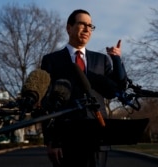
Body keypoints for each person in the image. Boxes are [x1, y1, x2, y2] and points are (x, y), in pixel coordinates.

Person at [41, 9, 127, 167]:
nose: (87, 29)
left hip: (98, 136)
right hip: (66, 139)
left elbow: (116, 91)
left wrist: (116, 60)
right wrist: (51, 141)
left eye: (90, 26)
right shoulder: (51, 61)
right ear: (69, 28)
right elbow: (45, 104)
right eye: (82, 24)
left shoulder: (102, 60)